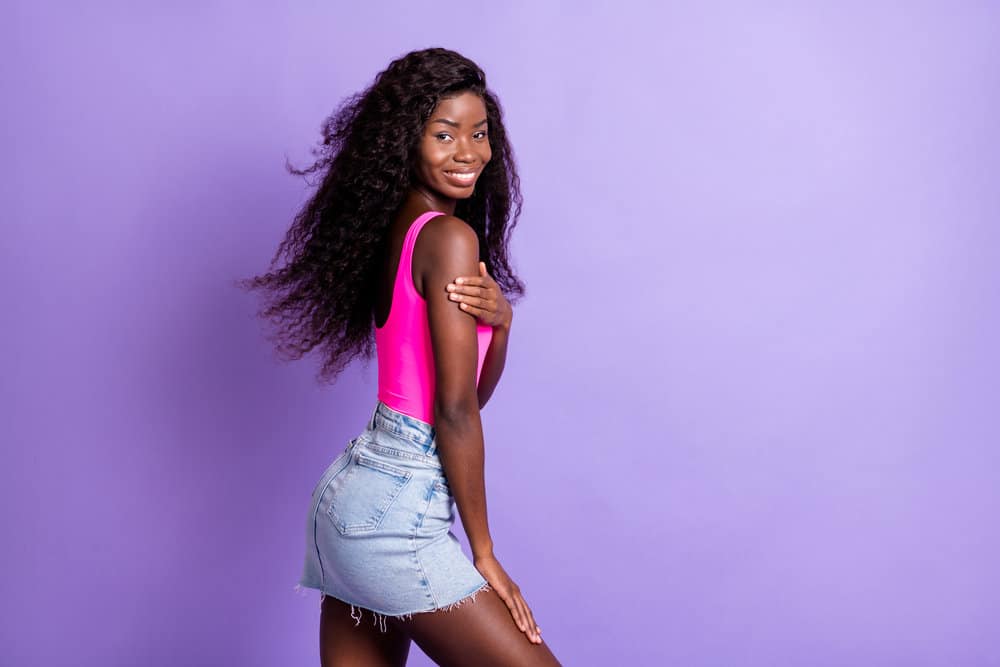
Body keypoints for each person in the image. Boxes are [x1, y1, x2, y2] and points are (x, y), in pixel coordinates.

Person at [240, 47, 561, 666]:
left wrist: (504, 324)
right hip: (394, 515)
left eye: (480, 133)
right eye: (445, 135)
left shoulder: (405, 229)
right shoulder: (448, 237)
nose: (468, 152)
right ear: (406, 143)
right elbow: (456, 411)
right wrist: (485, 552)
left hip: (349, 505)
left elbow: (462, 392)